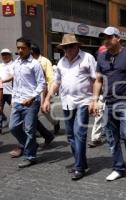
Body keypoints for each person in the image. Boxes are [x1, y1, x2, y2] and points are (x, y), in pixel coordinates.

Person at [89, 26, 126, 181]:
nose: (106, 40)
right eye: (104, 38)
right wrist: (94, 100)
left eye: (109, 37)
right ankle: (118, 167)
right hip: (108, 103)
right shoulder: (101, 57)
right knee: (111, 137)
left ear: (118, 38)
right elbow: (98, 81)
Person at [43, 34, 96, 180]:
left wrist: (94, 100)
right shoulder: (61, 62)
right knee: (71, 136)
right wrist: (47, 99)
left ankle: (79, 167)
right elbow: (56, 83)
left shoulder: (87, 58)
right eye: (66, 47)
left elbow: (95, 79)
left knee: (79, 134)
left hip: (83, 102)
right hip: (67, 102)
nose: (69, 49)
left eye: (71, 46)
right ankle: (82, 163)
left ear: (77, 46)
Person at [9, 37, 46, 168]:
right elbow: (16, 84)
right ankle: (30, 145)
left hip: (31, 102)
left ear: (29, 49)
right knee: (13, 127)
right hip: (18, 101)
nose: (20, 50)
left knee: (30, 130)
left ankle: (30, 156)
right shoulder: (16, 63)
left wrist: (32, 97)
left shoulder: (35, 64)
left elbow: (42, 83)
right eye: (18, 48)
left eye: (23, 48)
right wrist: (13, 100)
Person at [31, 44, 57, 145]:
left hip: (43, 90)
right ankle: (37, 132)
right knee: (33, 114)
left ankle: (55, 123)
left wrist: (48, 95)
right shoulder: (28, 61)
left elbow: (51, 78)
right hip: (32, 91)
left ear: (33, 53)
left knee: (44, 111)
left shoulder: (45, 61)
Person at [0, 48, 14, 129]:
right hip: (1, 91)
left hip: (11, 92)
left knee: (15, 109)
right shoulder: (0, 65)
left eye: (6, 54)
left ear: (10, 55)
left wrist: (3, 81)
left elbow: (14, 76)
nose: (4, 56)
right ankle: (1, 123)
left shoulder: (13, 65)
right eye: (3, 54)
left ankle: (21, 125)